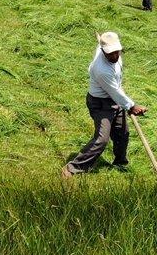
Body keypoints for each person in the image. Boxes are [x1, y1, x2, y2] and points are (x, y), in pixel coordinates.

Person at [62, 31, 147, 177]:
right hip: (101, 104)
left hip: (115, 100)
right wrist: (132, 106)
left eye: (116, 52)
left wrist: (125, 104)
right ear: (103, 51)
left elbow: (116, 91)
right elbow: (114, 92)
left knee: (122, 133)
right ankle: (72, 168)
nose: (114, 56)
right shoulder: (101, 70)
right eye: (110, 54)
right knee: (102, 140)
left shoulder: (109, 51)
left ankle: (120, 162)